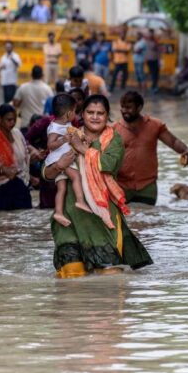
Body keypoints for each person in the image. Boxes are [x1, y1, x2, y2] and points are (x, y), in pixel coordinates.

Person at [44, 94, 153, 278]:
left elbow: (109, 165)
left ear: (107, 115)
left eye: (100, 113)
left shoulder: (114, 140)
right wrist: (58, 166)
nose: (95, 117)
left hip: (101, 220)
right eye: (90, 112)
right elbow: (47, 174)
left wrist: (82, 148)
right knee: (71, 277)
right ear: (81, 114)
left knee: (110, 276)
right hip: (69, 218)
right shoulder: (68, 134)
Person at [113, 91, 188, 205]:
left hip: (147, 186)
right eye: (123, 107)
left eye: (129, 107)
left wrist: (185, 150)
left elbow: (173, 141)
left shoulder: (155, 125)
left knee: (149, 218)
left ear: (139, 107)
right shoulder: (114, 129)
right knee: (124, 220)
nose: (125, 111)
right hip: (121, 186)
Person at [45, 94, 92, 226]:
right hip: (60, 160)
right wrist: (63, 140)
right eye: (75, 111)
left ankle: (58, 213)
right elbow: (50, 145)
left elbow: (74, 132)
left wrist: (84, 137)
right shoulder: (55, 127)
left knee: (62, 188)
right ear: (69, 113)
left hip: (61, 161)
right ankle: (80, 201)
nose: (76, 115)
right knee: (77, 177)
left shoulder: (66, 124)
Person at [0, 104, 33, 210]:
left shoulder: (16, 133)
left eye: (14, 120)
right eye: (9, 120)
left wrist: (34, 155)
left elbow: (25, 154)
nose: (12, 123)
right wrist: (4, 170)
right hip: (0, 187)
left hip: (20, 182)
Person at [144, 29, 161, 94]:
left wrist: (159, 60)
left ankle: (154, 87)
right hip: (150, 60)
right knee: (153, 74)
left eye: (152, 33)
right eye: (150, 33)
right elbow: (153, 47)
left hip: (156, 59)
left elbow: (158, 50)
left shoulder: (155, 41)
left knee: (156, 74)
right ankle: (152, 87)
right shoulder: (147, 41)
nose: (151, 35)